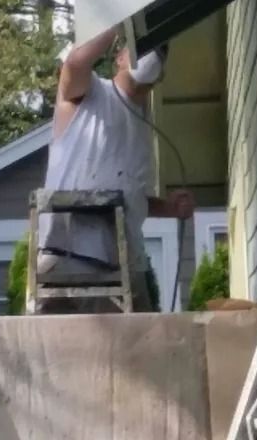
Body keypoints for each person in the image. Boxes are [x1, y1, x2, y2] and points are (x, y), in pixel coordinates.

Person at [37, 25, 195, 313]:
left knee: (138, 354)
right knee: (68, 354)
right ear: (119, 57)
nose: (151, 54)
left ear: (162, 74)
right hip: (70, 258)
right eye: (141, 46)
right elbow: (74, 63)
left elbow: (133, 199)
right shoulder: (89, 94)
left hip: (127, 265)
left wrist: (169, 208)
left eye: (159, 50)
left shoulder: (146, 128)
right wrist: (118, 21)